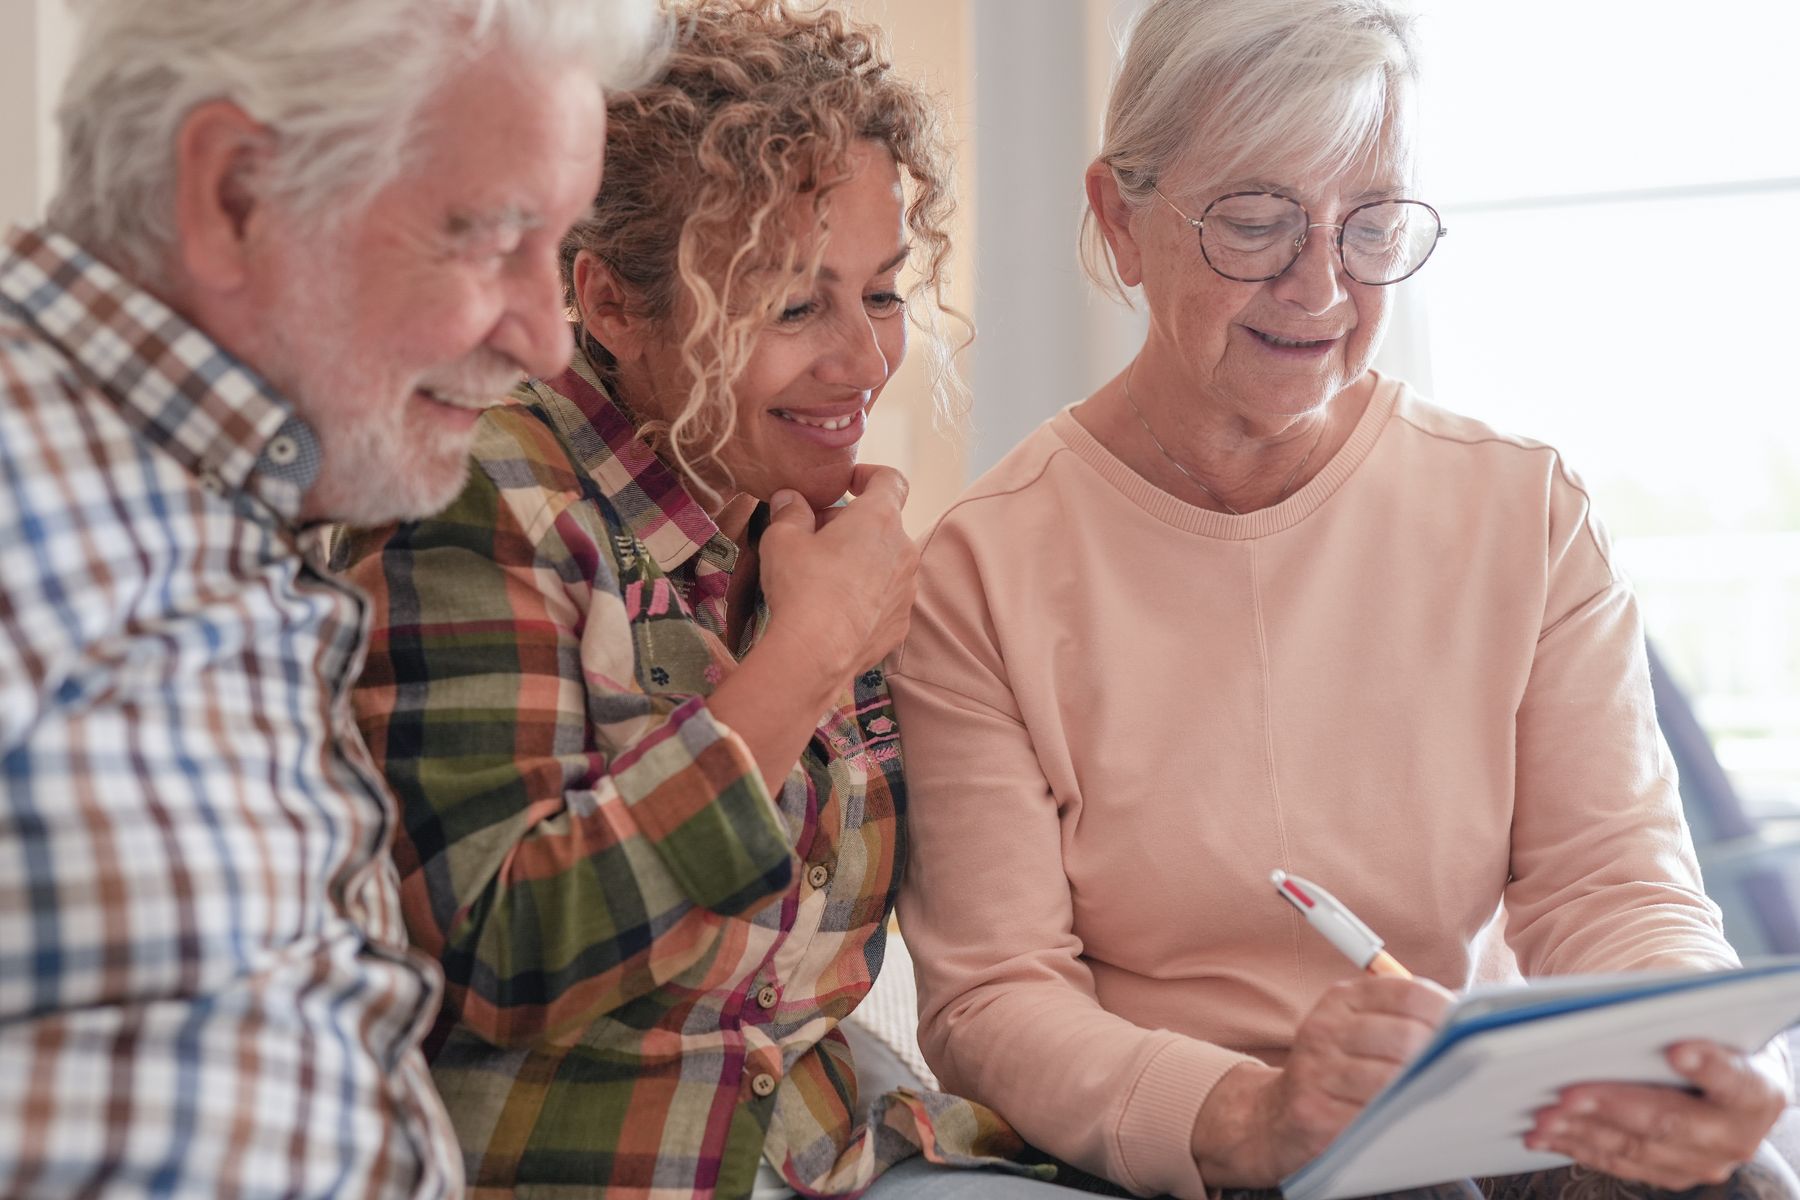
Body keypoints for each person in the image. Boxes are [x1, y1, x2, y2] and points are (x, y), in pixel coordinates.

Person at [886, 1, 1797, 1198]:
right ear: (1122, 221)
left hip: (1475, 1115)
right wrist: (1251, 1113)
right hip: (1190, 1139)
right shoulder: (984, 569)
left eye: (1372, 227)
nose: (1320, 286)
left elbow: (1613, 885)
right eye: (1257, 222)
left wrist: (1684, 1050)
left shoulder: (1521, 510)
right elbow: (995, 995)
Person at [334, 2, 1084, 1197]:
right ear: (617, 305)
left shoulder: (806, 523)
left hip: (842, 1152)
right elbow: (502, 950)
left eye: (882, 294)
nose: (863, 363)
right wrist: (811, 654)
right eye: (792, 306)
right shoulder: (480, 494)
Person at [0, 1, 663, 1195]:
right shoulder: (30, 502)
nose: (552, 342)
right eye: (486, 238)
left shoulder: (239, 499)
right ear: (237, 194)